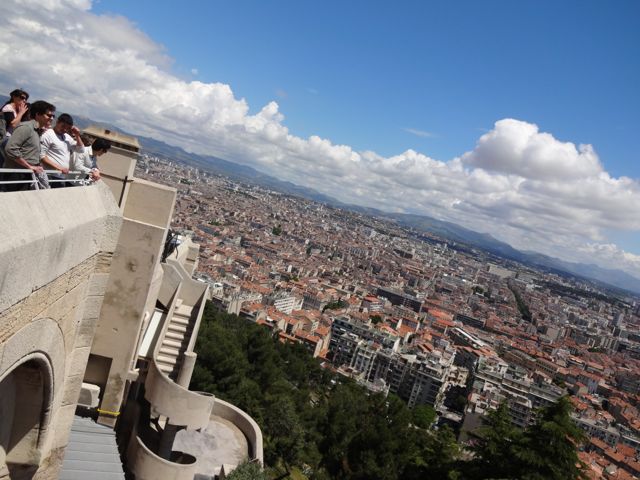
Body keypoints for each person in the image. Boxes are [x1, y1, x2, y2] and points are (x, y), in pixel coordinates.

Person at [2, 100, 55, 192]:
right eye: (49, 115)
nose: (51, 118)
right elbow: (11, 149)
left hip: (26, 175)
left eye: (53, 116)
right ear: (38, 114)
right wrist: (29, 166)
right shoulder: (26, 128)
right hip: (16, 175)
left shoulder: (37, 131)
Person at [40, 113, 84, 188]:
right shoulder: (48, 135)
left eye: (68, 128)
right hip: (50, 175)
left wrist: (77, 135)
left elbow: (81, 150)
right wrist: (59, 168)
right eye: (63, 126)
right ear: (57, 122)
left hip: (61, 177)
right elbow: (42, 156)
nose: (65, 130)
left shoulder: (67, 137)